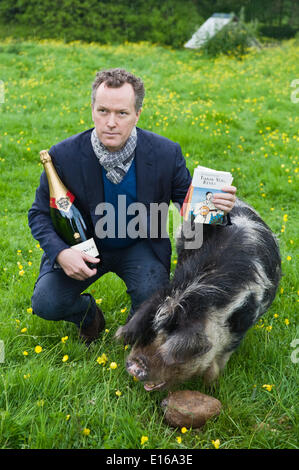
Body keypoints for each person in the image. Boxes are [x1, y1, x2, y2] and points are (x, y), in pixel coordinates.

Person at [28, 68, 236, 345]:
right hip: (84, 247)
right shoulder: (62, 155)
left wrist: (216, 207)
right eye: (103, 111)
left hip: (140, 246)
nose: (110, 122)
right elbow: (39, 214)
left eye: (121, 113)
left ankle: (136, 324)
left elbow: (189, 204)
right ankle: (89, 317)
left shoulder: (165, 153)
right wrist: (62, 253)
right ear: (92, 109)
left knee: (152, 313)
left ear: (137, 114)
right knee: (46, 303)